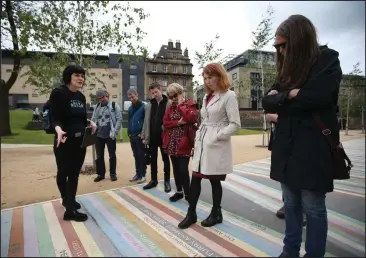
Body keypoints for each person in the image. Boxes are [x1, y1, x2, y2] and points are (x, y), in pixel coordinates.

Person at [262, 15, 342, 257]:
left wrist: (283, 99)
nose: (281, 50)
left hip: (313, 148)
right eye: (277, 46)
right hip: (286, 147)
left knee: (313, 207)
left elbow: (315, 98)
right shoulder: (286, 70)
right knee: (290, 204)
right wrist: (289, 95)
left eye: (284, 45)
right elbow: (267, 102)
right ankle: (290, 251)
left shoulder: (327, 59)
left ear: (300, 40)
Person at [178, 63, 241, 229]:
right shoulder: (207, 97)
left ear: (219, 76)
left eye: (210, 77)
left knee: (214, 180)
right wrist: (200, 138)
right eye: (205, 78)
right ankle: (191, 213)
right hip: (202, 143)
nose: (207, 81)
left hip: (215, 144)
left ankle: (216, 212)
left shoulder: (229, 96)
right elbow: (205, 120)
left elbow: (235, 124)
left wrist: (217, 136)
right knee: (195, 179)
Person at [50, 64, 97, 222]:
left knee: (74, 173)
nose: (80, 78)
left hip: (79, 142)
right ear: (69, 76)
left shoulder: (81, 97)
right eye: (77, 75)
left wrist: (90, 122)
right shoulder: (59, 93)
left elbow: (80, 118)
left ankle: (70, 202)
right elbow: (54, 117)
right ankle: (68, 206)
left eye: (82, 76)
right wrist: (57, 129)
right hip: (64, 140)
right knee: (63, 171)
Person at [162, 83, 198, 202]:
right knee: (176, 169)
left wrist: (182, 105)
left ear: (181, 92)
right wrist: (178, 123)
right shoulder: (170, 108)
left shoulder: (189, 104)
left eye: (175, 95)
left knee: (183, 169)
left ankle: (188, 193)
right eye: (171, 97)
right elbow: (165, 123)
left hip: (184, 141)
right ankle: (179, 191)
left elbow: (191, 118)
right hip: (172, 142)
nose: (173, 99)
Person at [141, 82, 172, 192]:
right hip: (153, 137)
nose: (155, 94)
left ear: (161, 90)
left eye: (156, 92)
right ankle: (153, 180)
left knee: (165, 159)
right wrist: (144, 135)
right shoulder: (149, 104)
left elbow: (171, 120)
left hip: (164, 137)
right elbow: (146, 120)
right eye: (152, 93)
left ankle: (167, 181)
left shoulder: (169, 103)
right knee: (153, 159)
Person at [92, 90, 123, 182]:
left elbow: (119, 119)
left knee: (112, 155)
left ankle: (113, 174)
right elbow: (94, 118)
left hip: (110, 135)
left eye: (103, 97)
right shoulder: (97, 106)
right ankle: (101, 174)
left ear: (107, 96)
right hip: (99, 135)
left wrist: (115, 131)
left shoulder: (114, 105)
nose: (102, 99)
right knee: (99, 156)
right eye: (99, 98)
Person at [127, 88, 147, 183]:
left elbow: (146, 122)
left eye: (133, 97)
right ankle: (137, 174)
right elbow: (129, 121)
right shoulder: (130, 108)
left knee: (141, 155)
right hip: (132, 135)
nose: (131, 99)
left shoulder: (144, 107)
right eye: (130, 98)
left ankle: (142, 175)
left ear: (137, 95)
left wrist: (142, 134)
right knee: (136, 156)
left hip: (140, 136)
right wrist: (129, 132)